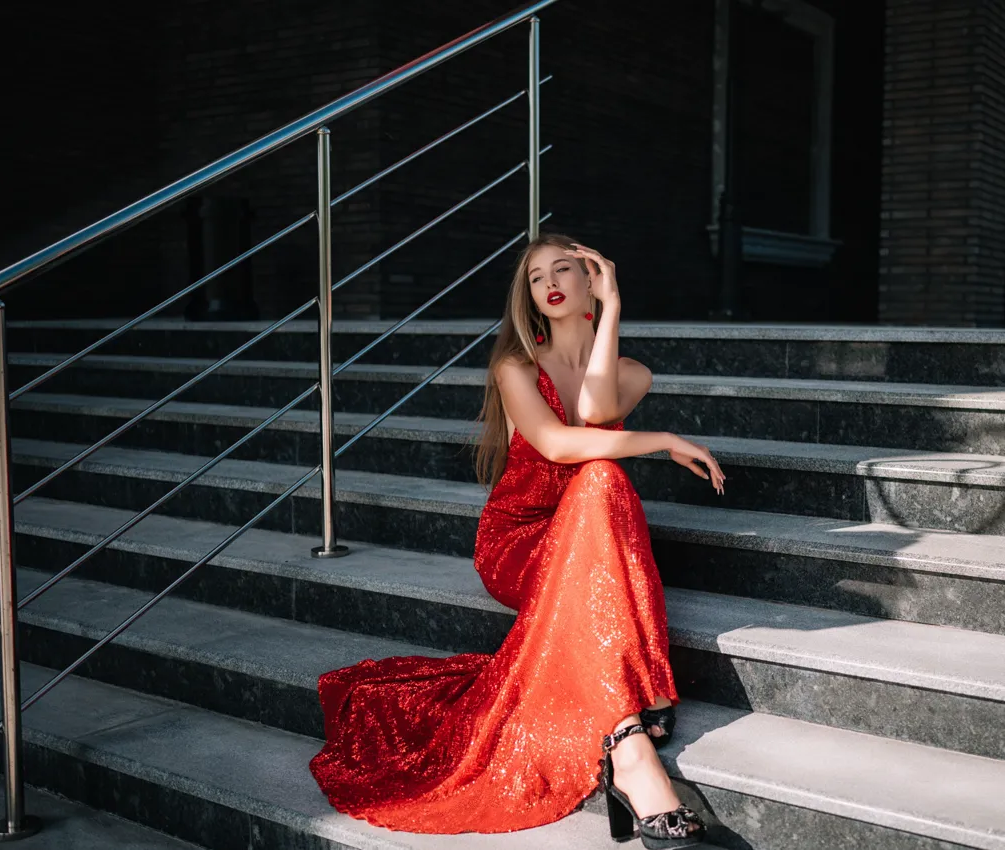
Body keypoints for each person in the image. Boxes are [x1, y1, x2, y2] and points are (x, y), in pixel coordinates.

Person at [309, 233, 723, 848]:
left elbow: (596, 411)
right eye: (535, 277)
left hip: (590, 532)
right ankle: (632, 746)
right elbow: (559, 444)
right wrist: (660, 439)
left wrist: (609, 314)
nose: (549, 282)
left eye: (565, 270)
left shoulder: (634, 372)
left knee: (602, 481)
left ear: (591, 281)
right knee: (602, 473)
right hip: (520, 540)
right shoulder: (515, 367)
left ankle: (629, 739)